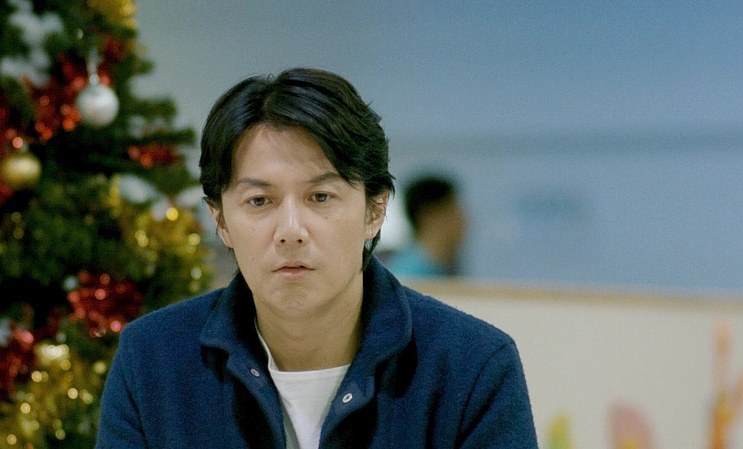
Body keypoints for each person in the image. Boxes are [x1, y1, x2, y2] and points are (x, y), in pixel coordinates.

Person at [95, 67, 537, 449]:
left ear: (375, 210)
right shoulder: (151, 361)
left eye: (320, 196)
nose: (291, 230)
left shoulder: (473, 367)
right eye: (259, 201)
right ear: (221, 220)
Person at [385, 175, 467, 277]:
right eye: (454, 209)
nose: (463, 219)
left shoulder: (442, 266)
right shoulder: (408, 274)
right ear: (429, 216)